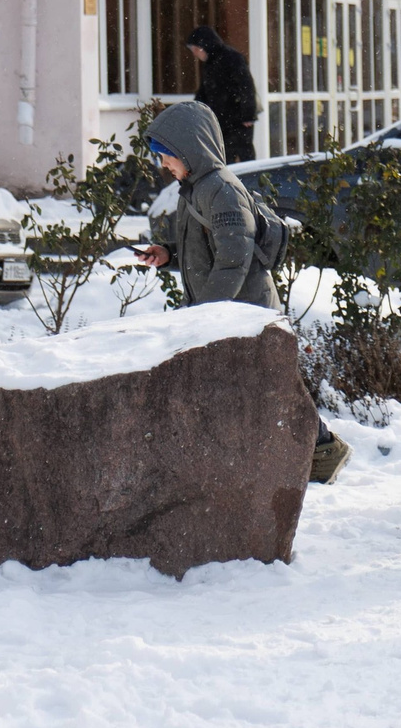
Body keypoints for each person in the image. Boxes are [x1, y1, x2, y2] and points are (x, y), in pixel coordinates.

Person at [140, 101, 351, 485]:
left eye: (166, 157)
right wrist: (167, 254)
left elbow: (233, 259)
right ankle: (274, 457)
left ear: (190, 149)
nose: (163, 165)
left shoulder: (222, 191)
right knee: (260, 388)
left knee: (272, 389)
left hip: (246, 313)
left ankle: (324, 451)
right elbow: (205, 250)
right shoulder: (195, 189)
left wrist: (207, 315)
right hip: (226, 312)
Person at [187, 26, 259, 164]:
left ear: (204, 46)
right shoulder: (210, 64)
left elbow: (246, 86)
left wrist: (248, 114)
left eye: (196, 50)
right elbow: (205, 91)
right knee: (225, 157)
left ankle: (252, 184)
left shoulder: (232, 58)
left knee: (245, 157)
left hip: (238, 120)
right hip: (220, 121)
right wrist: (195, 109)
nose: (195, 54)